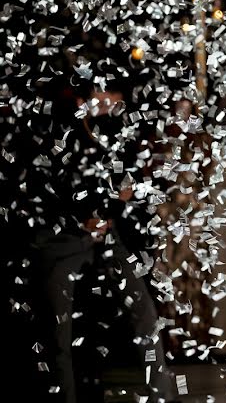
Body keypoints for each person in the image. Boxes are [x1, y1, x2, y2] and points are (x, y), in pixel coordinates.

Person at [21, 64, 177, 403]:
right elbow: (41, 186)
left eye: (116, 96)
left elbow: (116, 178)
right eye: (106, 94)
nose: (114, 101)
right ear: (83, 96)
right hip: (61, 240)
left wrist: (127, 190)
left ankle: (162, 396)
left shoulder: (112, 127)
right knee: (58, 334)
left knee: (144, 313)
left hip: (107, 239)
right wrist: (82, 217)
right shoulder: (52, 129)